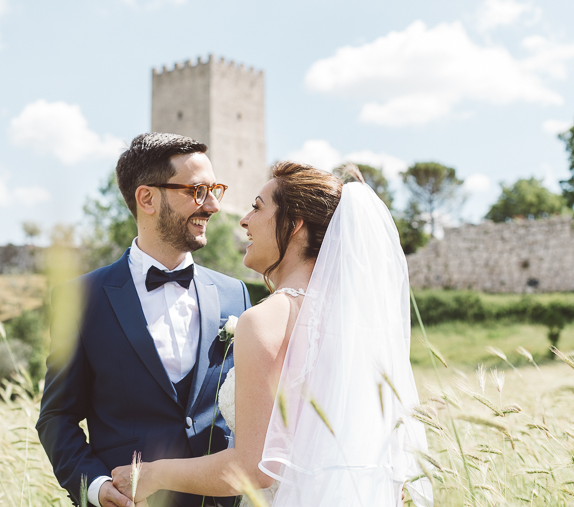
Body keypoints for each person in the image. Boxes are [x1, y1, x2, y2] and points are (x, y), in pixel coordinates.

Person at [112, 161, 433, 507]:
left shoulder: (264, 321)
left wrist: (153, 474)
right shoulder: (358, 323)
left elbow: (255, 470)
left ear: (293, 225)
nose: (244, 220)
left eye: (257, 207)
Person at [36, 132, 251, 507]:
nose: (213, 205)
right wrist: (94, 485)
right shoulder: (81, 299)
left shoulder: (236, 295)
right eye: (197, 191)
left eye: (215, 189)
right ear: (147, 198)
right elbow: (57, 416)